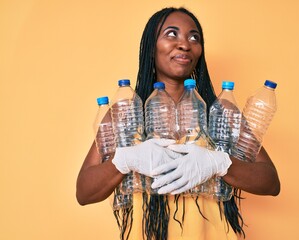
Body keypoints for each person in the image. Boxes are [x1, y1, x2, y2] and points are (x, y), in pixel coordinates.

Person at [76, 7, 280, 240]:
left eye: (194, 37)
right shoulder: (126, 114)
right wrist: (124, 160)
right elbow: (84, 192)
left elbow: (271, 182)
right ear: (151, 47)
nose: (185, 44)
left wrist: (220, 164)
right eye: (171, 34)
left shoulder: (220, 112)